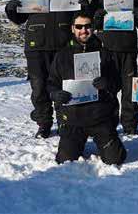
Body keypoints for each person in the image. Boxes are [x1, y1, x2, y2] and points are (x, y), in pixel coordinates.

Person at [5, 0, 87, 138]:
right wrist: (11, 9)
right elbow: (19, 19)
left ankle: (65, 121)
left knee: (63, 86)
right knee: (39, 87)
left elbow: (78, 19)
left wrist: (83, 6)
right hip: (36, 46)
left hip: (62, 46)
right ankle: (44, 123)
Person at [47, 11, 126, 165]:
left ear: (93, 28)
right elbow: (51, 83)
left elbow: (118, 83)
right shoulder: (61, 55)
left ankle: (106, 139)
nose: (84, 30)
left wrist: (107, 83)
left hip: (100, 118)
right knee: (65, 159)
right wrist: (55, 94)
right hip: (73, 118)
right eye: (79, 26)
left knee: (115, 158)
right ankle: (75, 142)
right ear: (72, 29)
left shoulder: (105, 54)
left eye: (87, 26)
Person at [89, 0, 138, 135]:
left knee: (130, 90)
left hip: (129, 49)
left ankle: (130, 126)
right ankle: (109, 123)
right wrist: (97, 16)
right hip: (107, 48)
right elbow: (91, 23)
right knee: (109, 89)